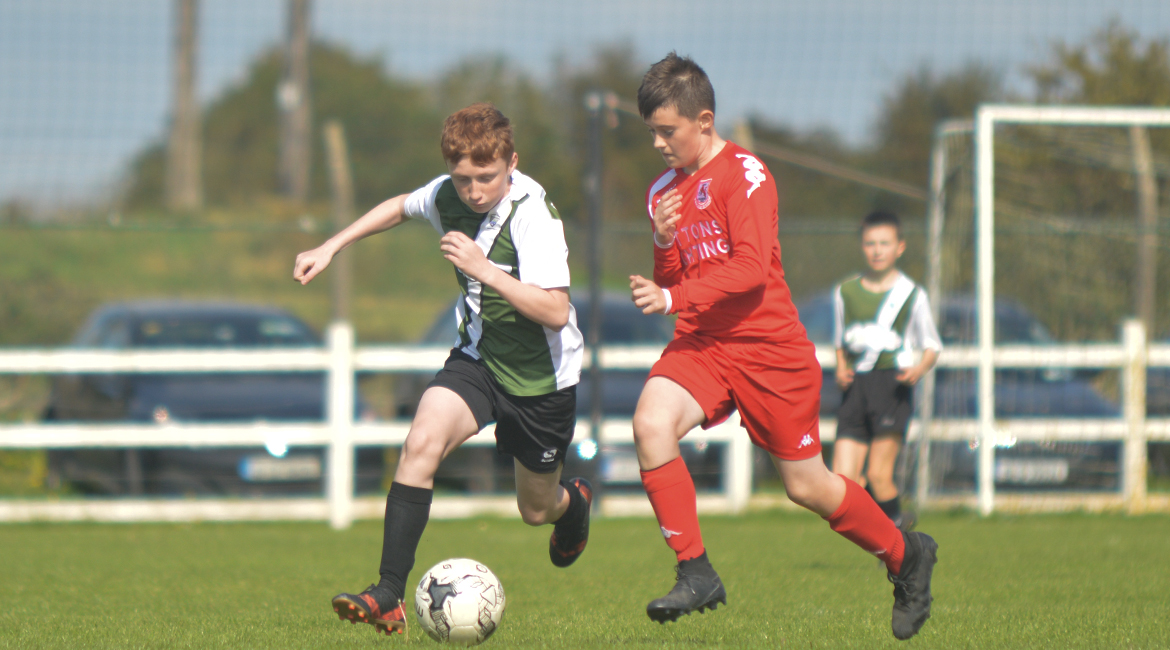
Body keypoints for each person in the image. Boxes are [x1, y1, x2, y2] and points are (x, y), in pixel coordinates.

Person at [627, 53, 937, 640]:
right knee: (650, 423)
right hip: (704, 345)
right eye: (652, 134)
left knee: (808, 487)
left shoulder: (747, 176)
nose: (660, 145)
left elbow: (748, 272)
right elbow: (671, 280)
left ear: (705, 120)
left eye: (668, 131)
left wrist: (673, 298)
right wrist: (663, 241)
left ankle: (905, 556)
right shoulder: (662, 192)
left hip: (769, 352)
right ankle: (695, 571)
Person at [293, 103, 593, 637]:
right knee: (420, 443)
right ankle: (387, 593)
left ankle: (572, 506)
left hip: (542, 381)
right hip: (478, 361)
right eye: (463, 179)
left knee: (535, 507)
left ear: (512, 163)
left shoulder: (532, 216)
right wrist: (331, 245)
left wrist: (485, 269)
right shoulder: (448, 193)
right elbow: (400, 206)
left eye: (487, 177)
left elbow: (555, 310)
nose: (474, 191)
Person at [832, 211, 941, 532]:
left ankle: (895, 538)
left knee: (880, 475)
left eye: (884, 243)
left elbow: (932, 345)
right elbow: (841, 340)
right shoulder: (846, 292)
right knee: (843, 481)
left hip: (892, 386)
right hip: (856, 387)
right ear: (862, 247)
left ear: (900, 247)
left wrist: (918, 370)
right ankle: (895, 525)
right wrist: (841, 368)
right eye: (870, 243)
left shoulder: (912, 295)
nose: (877, 250)